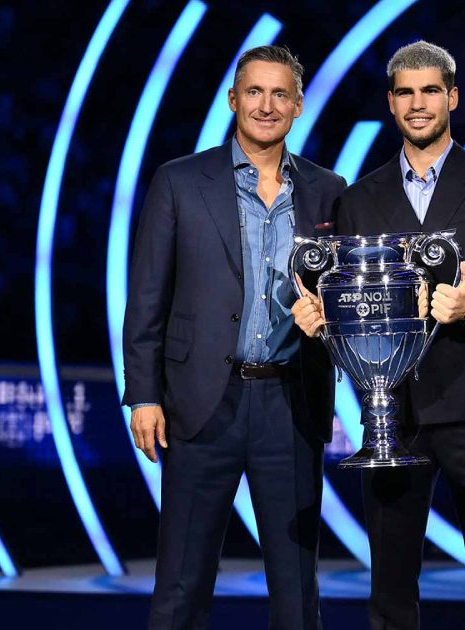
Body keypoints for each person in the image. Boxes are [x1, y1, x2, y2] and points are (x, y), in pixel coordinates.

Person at [301, 40, 465, 630]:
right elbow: (347, 304)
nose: (419, 103)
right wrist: (319, 321)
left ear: (452, 97)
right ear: (390, 103)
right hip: (394, 414)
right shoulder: (358, 199)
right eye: (406, 92)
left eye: (430, 90)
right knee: (389, 583)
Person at [122, 45, 345, 630]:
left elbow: (347, 295)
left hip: (291, 403)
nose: (265, 106)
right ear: (232, 100)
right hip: (199, 402)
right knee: (181, 582)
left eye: (279, 95)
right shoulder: (179, 180)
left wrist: (331, 316)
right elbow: (147, 296)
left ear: (297, 106)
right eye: (254, 92)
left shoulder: (329, 190)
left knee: (297, 587)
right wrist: (143, 395)